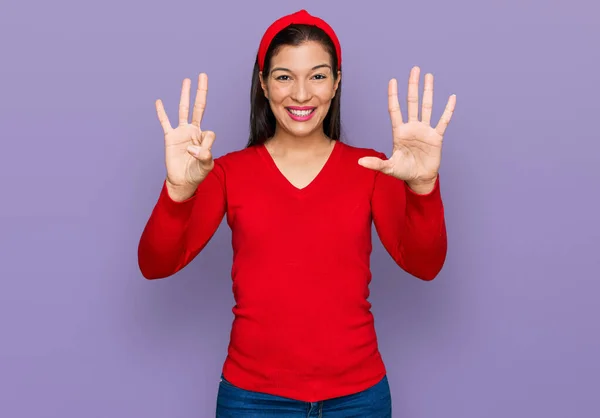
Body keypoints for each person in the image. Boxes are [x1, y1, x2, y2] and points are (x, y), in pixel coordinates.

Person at [137, 9, 456, 417]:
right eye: (285, 76)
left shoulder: (374, 170)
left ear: (337, 83)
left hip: (358, 399)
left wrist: (423, 187)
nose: (302, 94)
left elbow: (425, 265)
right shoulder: (226, 173)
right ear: (264, 84)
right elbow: (155, 264)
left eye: (318, 76)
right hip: (252, 400)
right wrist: (178, 192)